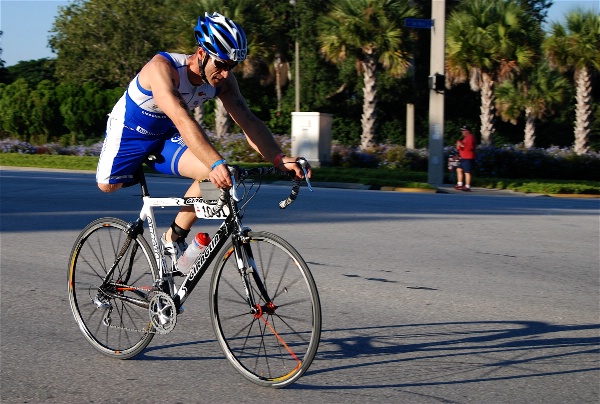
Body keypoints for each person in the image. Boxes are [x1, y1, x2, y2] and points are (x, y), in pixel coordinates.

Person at [96, 12, 311, 261]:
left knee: (212, 177)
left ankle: (172, 238)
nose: (225, 74)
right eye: (220, 64)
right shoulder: (163, 69)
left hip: (165, 134)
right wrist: (216, 162)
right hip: (130, 131)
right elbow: (181, 117)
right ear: (201, 54)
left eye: (231, 67)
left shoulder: (223, 82)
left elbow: (249, 121)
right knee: (108, 185)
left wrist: (279, 158)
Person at [453, 125, 475, 192]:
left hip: (468, 157)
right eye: (462, 130)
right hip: (463, 157)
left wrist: (462, 145)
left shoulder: (470, 137)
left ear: (468, 131)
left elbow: (470, 147)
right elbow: (460, 148)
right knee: (459, 169)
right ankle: (460, 184)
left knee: (467, 172)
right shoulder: (465, 138)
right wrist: (459, 145)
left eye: (464, 130)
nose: (462, 132)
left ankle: (467, 186)